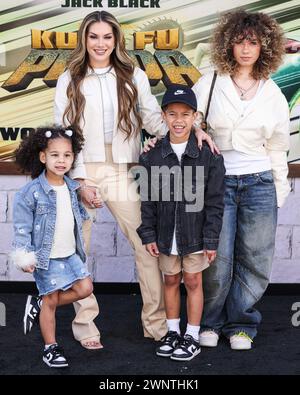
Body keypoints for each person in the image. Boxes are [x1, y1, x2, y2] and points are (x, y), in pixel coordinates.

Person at [53, 10, 171, 345]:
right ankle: (85, 326)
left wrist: (184, 134)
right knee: (79, 251)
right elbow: (63, 131)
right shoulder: (69, 78)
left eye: (107, 37)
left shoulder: (133, 74)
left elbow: (151, 115)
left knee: (146, 245)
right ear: (84, 39)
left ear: (116, 40)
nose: (100, 43)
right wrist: (78, 179)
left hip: (123, 168)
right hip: (84, 169)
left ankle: (156, 325)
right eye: (94, 37)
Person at [192, 10, 291, 350]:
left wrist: (279, 189)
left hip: (260, 181)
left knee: (256, 257)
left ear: (265, 47)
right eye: (239, 42)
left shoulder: (272, 92)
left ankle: (242, 325)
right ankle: (210, 321)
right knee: (216, 257)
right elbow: (185, 119)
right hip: (218, 182)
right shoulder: (210, 82)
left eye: (253, 42)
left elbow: (278, 145)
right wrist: (194, 129)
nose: (246, 49)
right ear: (227, 44)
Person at [137, 85, 225, 361]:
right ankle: (173, 331)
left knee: (194, 281)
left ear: (195, 117)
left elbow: (215, 202)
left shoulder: (208, 155)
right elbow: (147, 200)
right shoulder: (151, 155)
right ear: (163, 116)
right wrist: (149, 234)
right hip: (165, 234)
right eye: (172, 113)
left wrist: (211, 240)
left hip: (195, 234)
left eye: (185, 114)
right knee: (171, 280)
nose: (178, 120)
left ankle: (192, 335)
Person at [11, 126, 100, 367]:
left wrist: (91, 201)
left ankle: (39, 303)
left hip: (69, 253)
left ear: (73, 158)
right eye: (55, 155)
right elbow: (22, 227)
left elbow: (74, 216)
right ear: (43, 157)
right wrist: (25, 255)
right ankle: (50, 347)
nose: (61, 161)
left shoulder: (72, 187)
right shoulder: (30, 192)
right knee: (51, 300)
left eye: (67, 155)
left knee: (85, 288)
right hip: (45, 257)